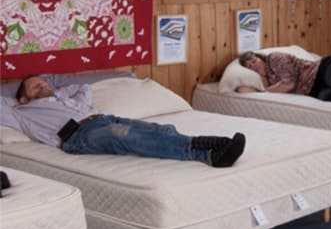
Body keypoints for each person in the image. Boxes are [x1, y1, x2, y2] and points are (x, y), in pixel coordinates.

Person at [2, 75, 246, 168]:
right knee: (123, 134)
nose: (43, 83)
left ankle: (211, 154)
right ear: (23, 98)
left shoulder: (63, 97)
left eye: (44, 81)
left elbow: (84, 88)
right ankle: (203, 147)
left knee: (158, 128)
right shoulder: (21, 113)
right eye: (36, 85)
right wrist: (16, 103)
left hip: (102, 119)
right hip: (77, 137)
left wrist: (58, 93)